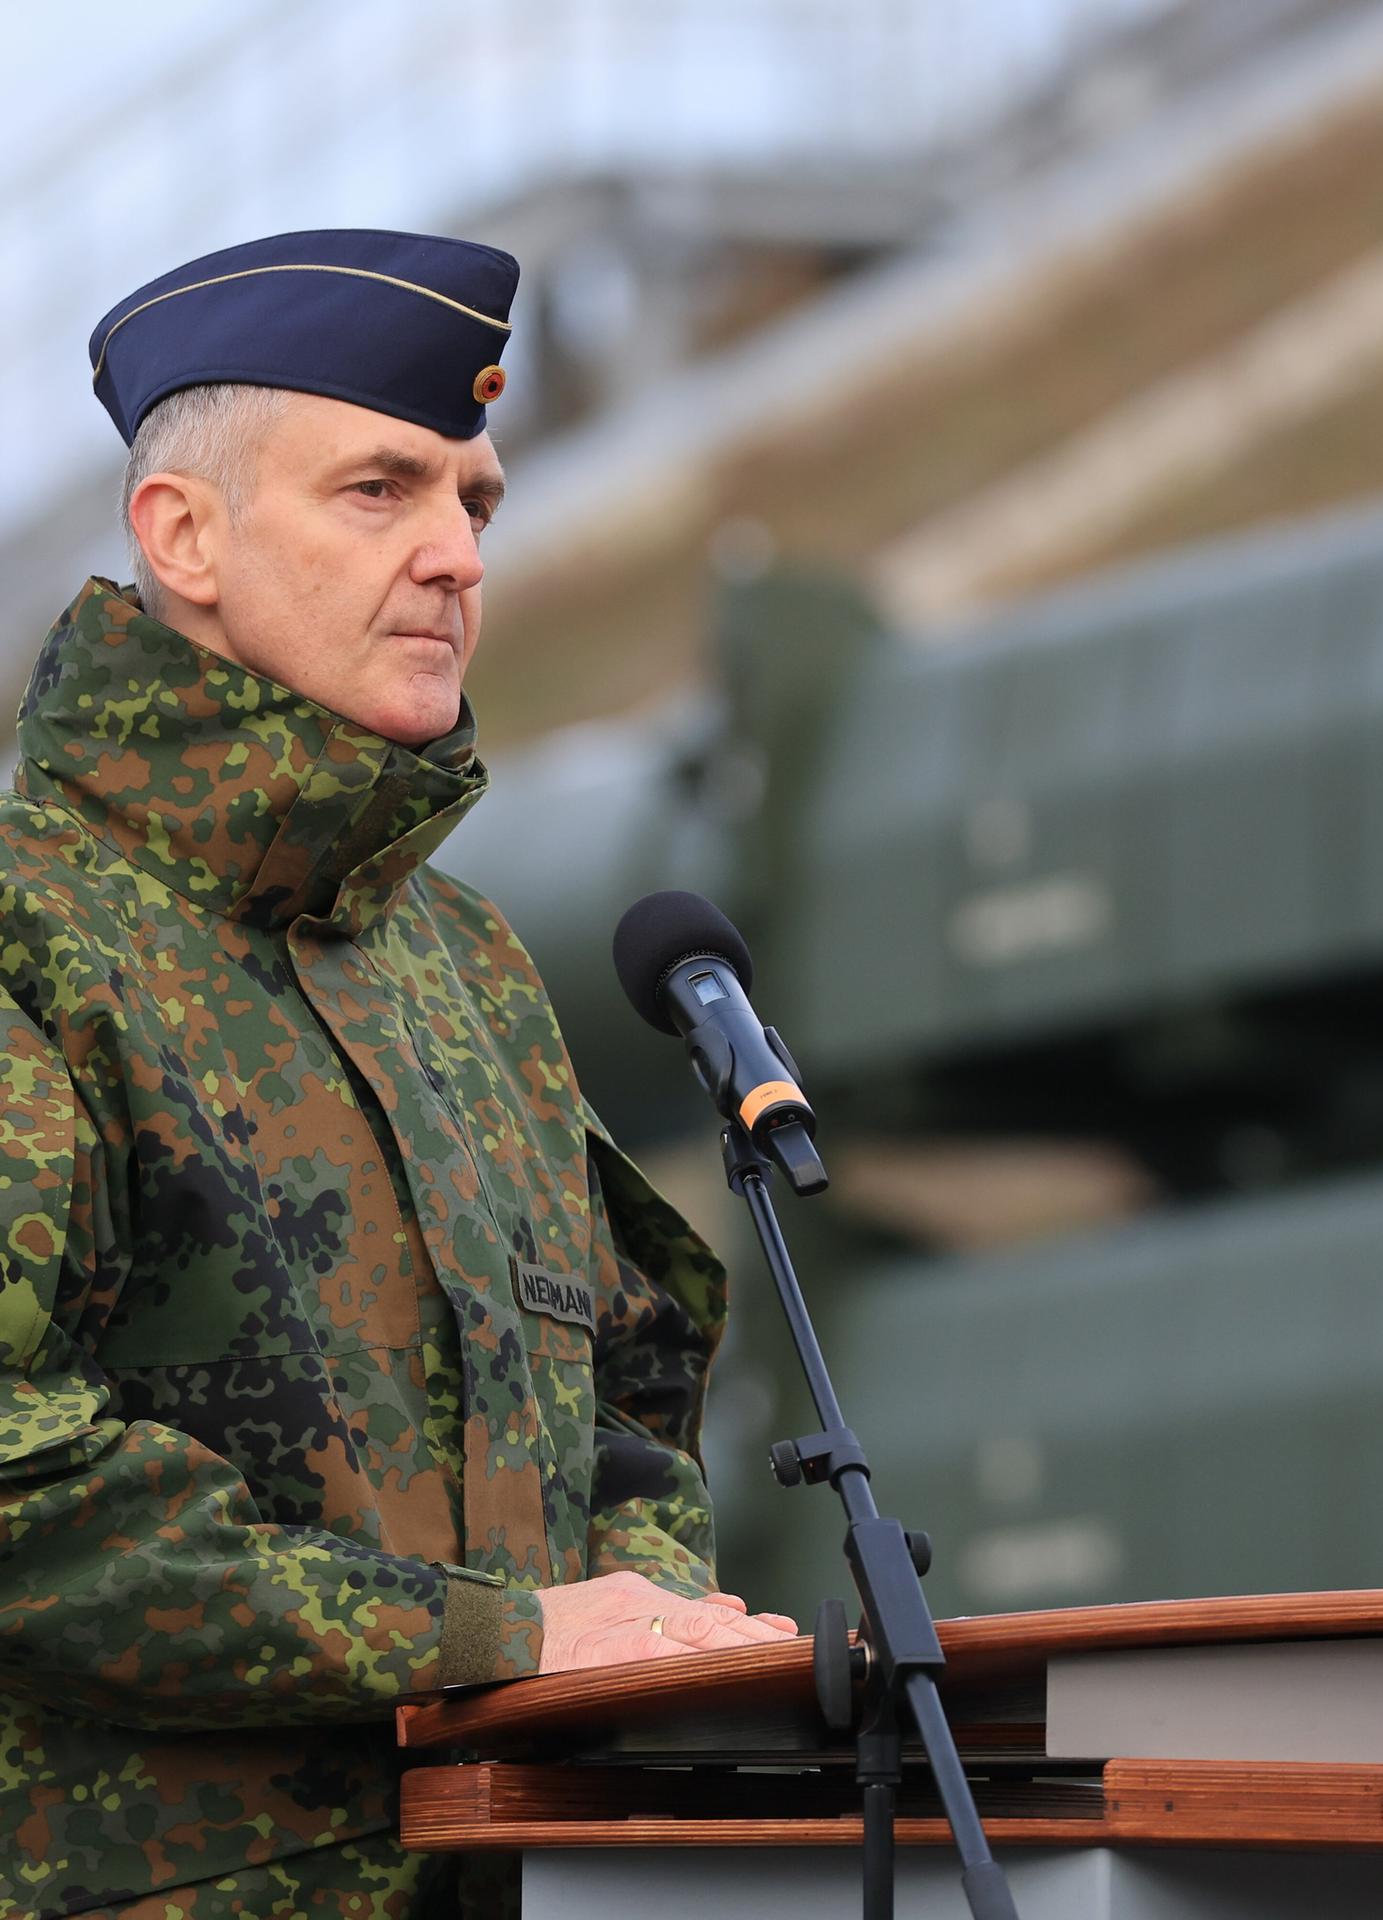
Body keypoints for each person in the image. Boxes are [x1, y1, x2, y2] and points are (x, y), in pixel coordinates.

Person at [0, 230, 797, 1920]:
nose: (454, 555)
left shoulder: (466, 966)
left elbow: (627, 1399)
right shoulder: (32, 928)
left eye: (476, 503)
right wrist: (493, 1642)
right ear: (184, 536)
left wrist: (645, 1620)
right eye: (380, 491)